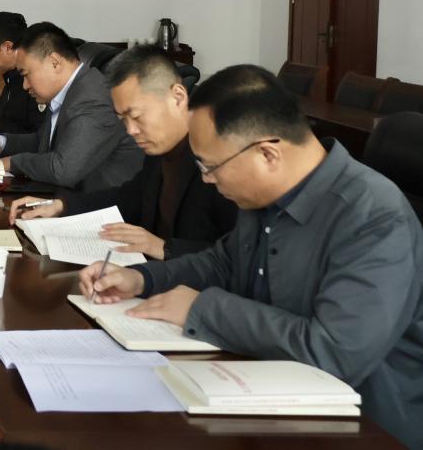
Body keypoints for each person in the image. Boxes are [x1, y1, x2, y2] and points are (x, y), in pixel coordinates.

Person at [79, 65, 423, 448]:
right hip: (263, 393)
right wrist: (142, 279)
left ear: (268, 154)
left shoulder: (374, 218)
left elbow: (334, 352)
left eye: (210, 167)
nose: (207, 180)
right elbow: (223, 263)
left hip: (360, 427)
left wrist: (202, 309)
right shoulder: (265, 194)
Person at [10, 45, 237, 260]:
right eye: (123, 120)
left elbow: (242, 255)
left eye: (136, 116)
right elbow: (129, 197)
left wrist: (163, 247)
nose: (131, 130)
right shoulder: (160, 150)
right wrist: (62, 206)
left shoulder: (222, 162)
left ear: (177, 97)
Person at [0, 22, 142, 192]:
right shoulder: (70, 90)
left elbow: (63, 170)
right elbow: (43, 142)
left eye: (26, 74)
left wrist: (11, 163)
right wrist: (0, 142)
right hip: (68, 196)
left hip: (100, 204)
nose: (25, 85)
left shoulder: (92, 99)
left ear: (55, 62)